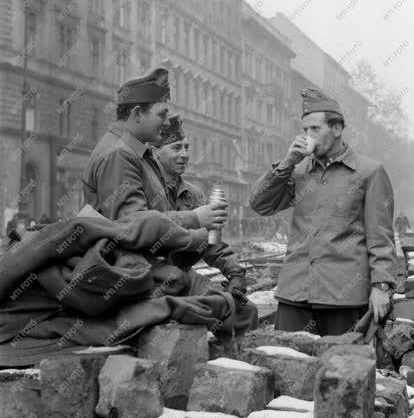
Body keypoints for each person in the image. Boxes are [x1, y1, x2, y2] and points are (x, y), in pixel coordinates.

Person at [249, 88, 397, 335]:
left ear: (337, 129)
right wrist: (287, 162)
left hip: (343, 297)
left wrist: (381, 286)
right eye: (305, 130)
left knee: (342, 370)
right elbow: (260, 204)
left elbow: (380, 237)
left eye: (315, 129)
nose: (308, 136)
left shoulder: (369, 172)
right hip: (295, 293)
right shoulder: (297, 171)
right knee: (288, 366)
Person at [82, 66, 225, 232]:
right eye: (161, 115)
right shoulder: (119, 154)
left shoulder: (134, 152)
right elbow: (132, 226)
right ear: (137, 114)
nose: (166, 123)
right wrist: (194, 219)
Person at [153, 114, 258, 338]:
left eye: (187, 147)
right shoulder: (145, 190)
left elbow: (212, 244)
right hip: (151, 280)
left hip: (184, 278)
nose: (184, 155)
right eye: (176, 148)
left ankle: (233, 365)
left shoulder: (194, 195)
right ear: (155, 152)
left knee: (245, 311)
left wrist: (236, 273)